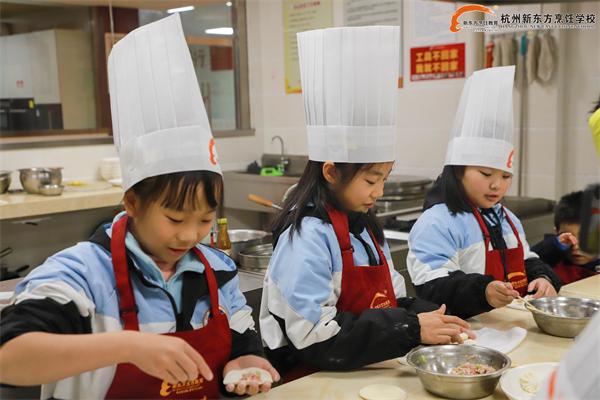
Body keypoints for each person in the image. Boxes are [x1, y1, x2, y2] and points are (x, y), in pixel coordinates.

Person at [0, 14, 278, 399]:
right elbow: (8, 358)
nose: (190, 235)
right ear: (131, 201)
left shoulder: (217, 269)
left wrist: (246, 365)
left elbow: (242, 342)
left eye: (205, 219)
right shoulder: (82, 273)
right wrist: (127, 346)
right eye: (175, 218)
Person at [259, 26, 474, 380]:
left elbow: (393, 300)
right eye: (371, 180)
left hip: (366, 372)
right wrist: (411, 329)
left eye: (384, 179)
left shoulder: (366, 229)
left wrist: (435, 317)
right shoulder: (308, 237)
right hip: (313, 380)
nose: (379, 192)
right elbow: (314, 336)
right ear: (331, 172)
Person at [407, 66, 561, 320]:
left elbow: (527, 259)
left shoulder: (507, 218)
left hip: (512, 325)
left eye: (506, 177)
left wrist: (543, 278)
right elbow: (432, 286)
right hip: (466, 331)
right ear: (458, 171)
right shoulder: (437, 222)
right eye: (486, 174)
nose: (496, 185)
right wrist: (483, 292)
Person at [531, 191, 599, 285]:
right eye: (568, 238)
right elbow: (529, 259)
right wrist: (554, 245)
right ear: (556, 233)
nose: (576, 246)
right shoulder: (551, 255)